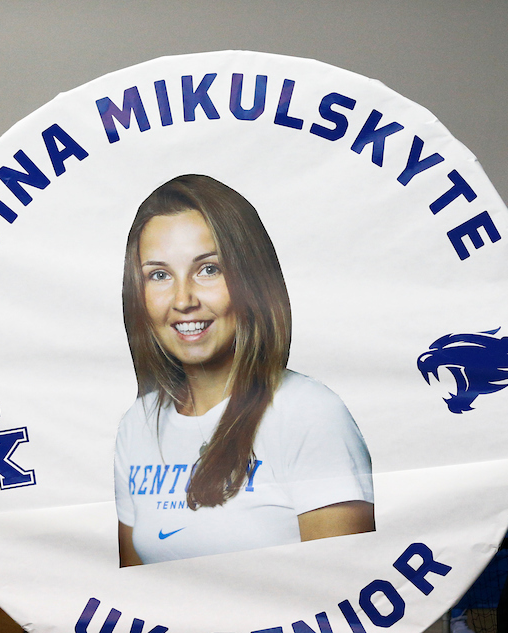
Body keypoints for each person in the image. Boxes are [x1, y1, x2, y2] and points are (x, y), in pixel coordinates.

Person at [115, 174, 374, 567]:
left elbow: (341, 602)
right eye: (160, 275)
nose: (183, 299)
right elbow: (136, 595)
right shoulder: (138, 424)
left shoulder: (309, 413)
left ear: (251, 280)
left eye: (208, 269)